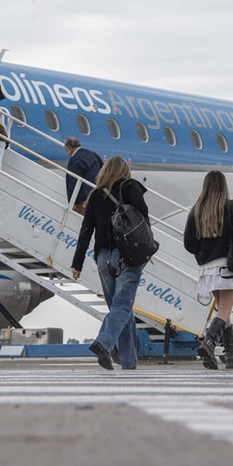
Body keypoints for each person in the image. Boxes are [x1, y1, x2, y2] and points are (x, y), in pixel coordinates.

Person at [71, 155, 148, 370]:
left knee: (120, 309)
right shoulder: (130, 188)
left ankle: (129, 361)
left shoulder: (95, 196)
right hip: (128, 255)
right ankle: (104, 342)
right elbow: (144, 216)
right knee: (122, 307)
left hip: (104, 257)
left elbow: (85, 232)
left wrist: (77, 263)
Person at [182, 170, 233, 370]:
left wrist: (203, 250)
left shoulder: (196, 211)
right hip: (226, 266)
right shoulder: (231, 207)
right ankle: (208, 343)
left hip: (207, 268)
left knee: (223, 312)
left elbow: (188, 243)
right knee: (225, 310)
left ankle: (231, 357)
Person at [64, 137, 103, 214]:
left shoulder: (75, 160)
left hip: (81, 200)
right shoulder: (92, 155)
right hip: (93, 197)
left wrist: (72, 202)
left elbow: (73, 181)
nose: (68, 154)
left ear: (70, 147)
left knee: (78, 222)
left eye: (67, 150)